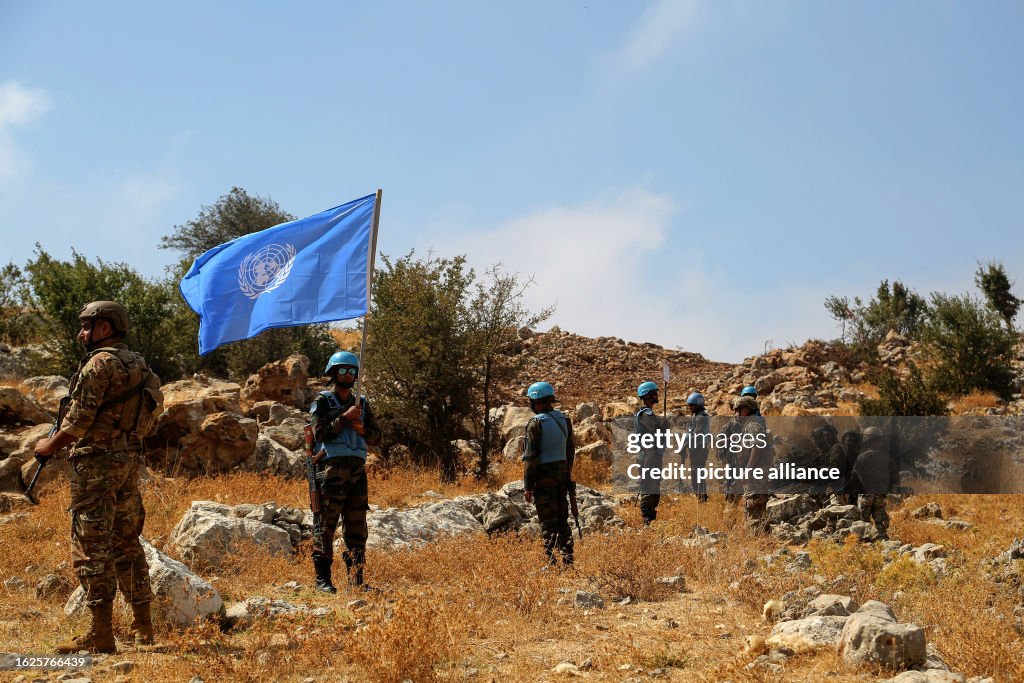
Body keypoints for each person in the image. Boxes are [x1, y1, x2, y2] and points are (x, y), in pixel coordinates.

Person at [34, 301, 159, 654]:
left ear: (106, 328)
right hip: (127, 463)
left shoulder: (98, 364)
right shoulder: (139, 364)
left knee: (91, 545)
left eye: (88, 327)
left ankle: (100, 633)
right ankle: (143, 626)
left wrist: (48, 447)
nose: (82, 333)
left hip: (95, 465)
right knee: (127, 542)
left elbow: (78, 422)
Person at [309, 351, 382, 591]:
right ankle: (323, 581)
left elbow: (377, 437)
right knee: (325, 524)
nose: (348, 375)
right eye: (343, 370)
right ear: (333, 373)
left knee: (357, 527)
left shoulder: (362, 403)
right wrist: (344, 418)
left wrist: (362, 430)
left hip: (357, 471)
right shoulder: (322, 402)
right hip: (331, 470)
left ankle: (357, 581)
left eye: (352, 371)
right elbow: (320, 433)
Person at [522, 381, 576, 565]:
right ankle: (568, 561)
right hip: (562, 475)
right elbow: (570, 450)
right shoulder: (564, 420)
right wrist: (567, 473)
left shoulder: (535, 424)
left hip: (544, 479)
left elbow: (531, 458)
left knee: (548, 522)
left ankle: (552, 564)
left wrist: (528, 487)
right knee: (563, 519)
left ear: (535, 401)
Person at [734, 395, 772, 534]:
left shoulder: (753, 425)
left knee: (753, 506)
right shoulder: (751, 425)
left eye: (740, 410)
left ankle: (759, 541)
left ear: (749, 409)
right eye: (735, 410)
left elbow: (757, 447)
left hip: (756, 473)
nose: (736, 414)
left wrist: (748, 471)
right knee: (758, 508)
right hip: (757, 472)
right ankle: (764, 540)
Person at [851, 426, 890, 540]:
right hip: (880, 493)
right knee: (879, 519)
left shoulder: (862, 457)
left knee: (863, 520)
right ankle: (883, 539)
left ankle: (865, 541)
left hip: (866, 493)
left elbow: (855, 474)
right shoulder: (885, 457)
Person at [634, 381, 664, 524]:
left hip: (653, 455)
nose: (657, 395)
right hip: (648, 455)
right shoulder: (646, 414)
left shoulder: (650, 414)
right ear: (648, 395)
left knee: (654, 488)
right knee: (648, 487)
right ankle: (646, 520)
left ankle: (650, 519)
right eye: (654, 393)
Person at [683, 392, 711, 503]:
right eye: (689, 405)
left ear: (698, 405)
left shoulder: (701, 418)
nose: (690, 408)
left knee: (697, 476)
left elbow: (697, 434)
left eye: (692, 405)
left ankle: (702, 499)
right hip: (695, 450)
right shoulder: (696, 416)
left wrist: (684, 446)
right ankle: (701, 498)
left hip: (699, 450)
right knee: (696, 475)